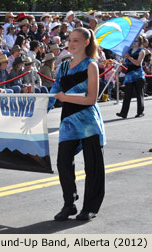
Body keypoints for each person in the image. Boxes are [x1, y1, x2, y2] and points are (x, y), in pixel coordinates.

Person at [48, 27, 105, 221]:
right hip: (68, 122)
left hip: (88, 121)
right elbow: (53, 93)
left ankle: (90, 207)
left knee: (93, 166)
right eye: (70, 40)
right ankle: (69, 204)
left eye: (76, 40)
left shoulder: (91, 66)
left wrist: (65, 97)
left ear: (86, 43)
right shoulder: (63, 67)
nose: (71, 44)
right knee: (63, 163)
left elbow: (91, 100)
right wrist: (36, 113)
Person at [117, 36, 146, 119]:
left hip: (138, 75)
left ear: (140, 42)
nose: (134, 43)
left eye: (136, 41)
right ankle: (123, 113)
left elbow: (137, 63)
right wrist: (123, 61)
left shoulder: (142, 51)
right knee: (127, 95)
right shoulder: (129, 51)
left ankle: (140, 112)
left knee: (139, 94)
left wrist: (129, 57)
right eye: (133, 41)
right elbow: (125, 63)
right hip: (129, 75)